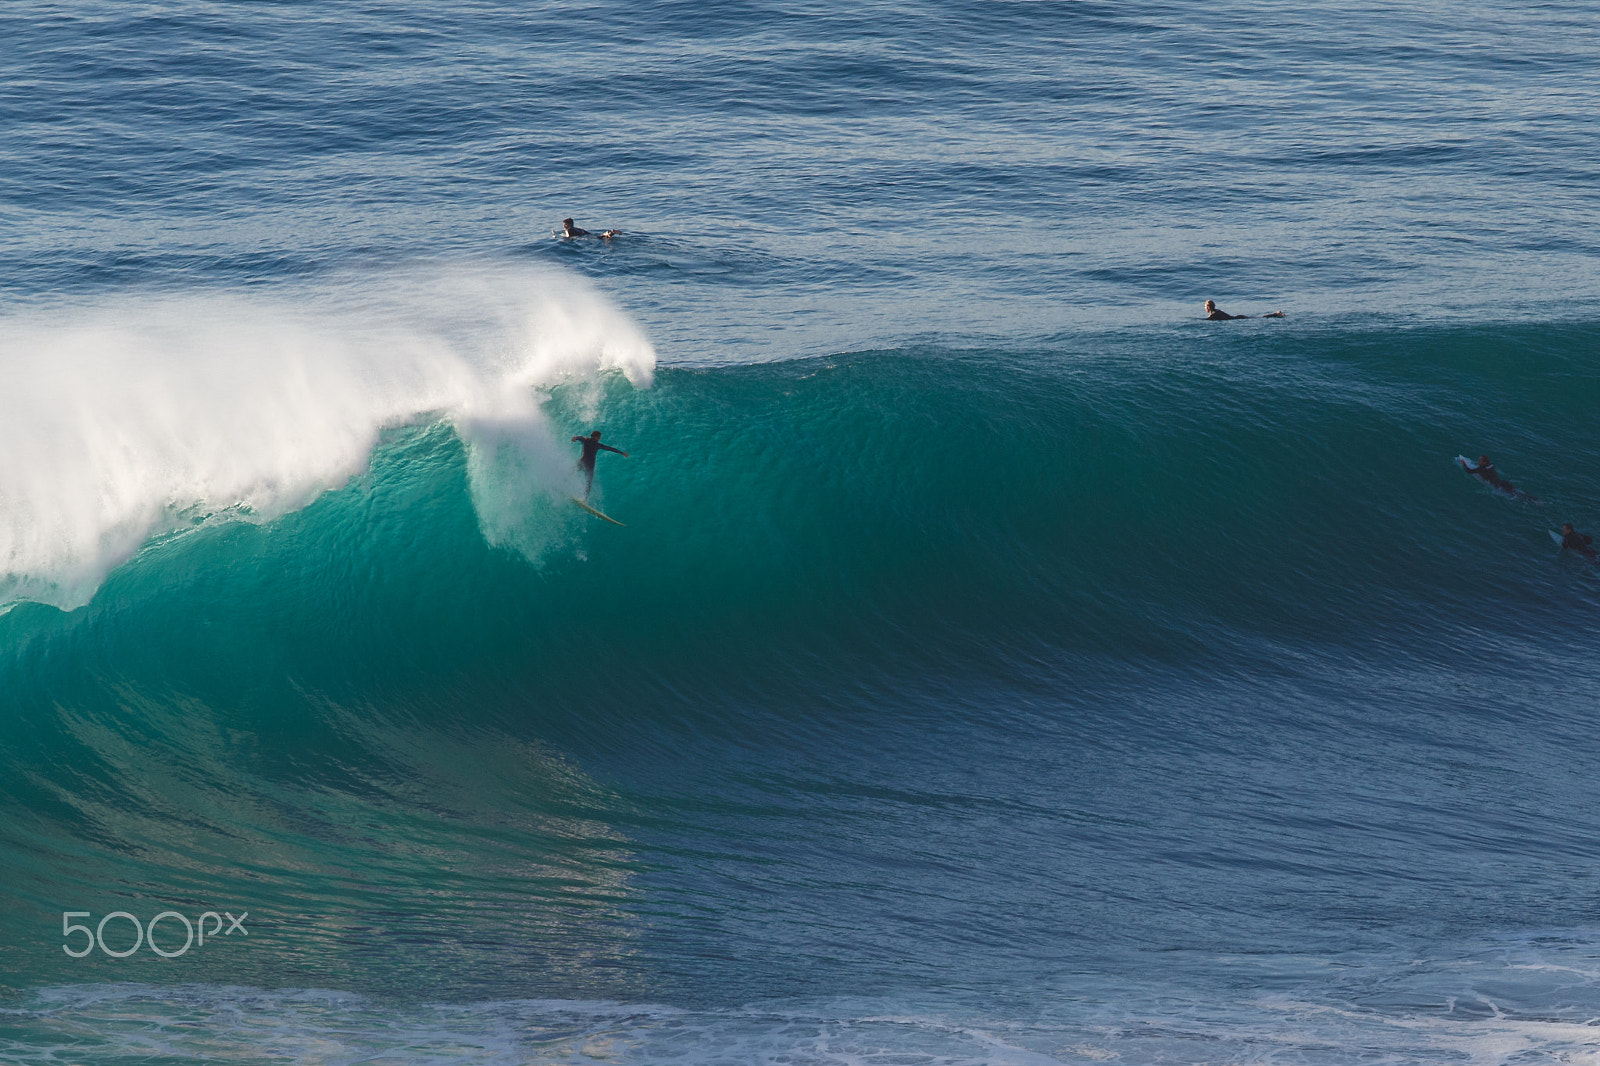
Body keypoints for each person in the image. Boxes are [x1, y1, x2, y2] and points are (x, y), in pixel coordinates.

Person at [572, 430, 628, 497]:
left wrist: (575, 437)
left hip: (582, 461)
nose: (599, 438)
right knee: (588, 483)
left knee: (572, 471)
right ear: (597, 437)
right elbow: (610, 448)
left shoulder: (586, 440)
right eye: (599, 437)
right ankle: (585, 499)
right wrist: (621, 453)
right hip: (589, 465)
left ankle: (563, 481)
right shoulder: (598, 445)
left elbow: (580, 437)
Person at [1204, 300, 1284, 320]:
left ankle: (1276, 314)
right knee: (1258, 318)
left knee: (1260, 318)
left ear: (1208, 307)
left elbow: (1207, 319)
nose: (1204, 308)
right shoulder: (1217, 311)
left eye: (1205, 306)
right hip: (1238, 317)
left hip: (1238, 318)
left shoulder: (1214, 315)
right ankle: (1276, 314)